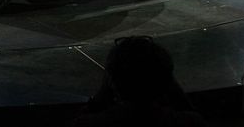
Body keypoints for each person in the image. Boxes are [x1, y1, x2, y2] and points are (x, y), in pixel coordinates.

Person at [74, 36, 207, 127]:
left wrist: (101, 97)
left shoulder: (89, 123)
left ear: (112, 82)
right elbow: (192, 114)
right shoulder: (188, 122)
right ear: (167, 81)